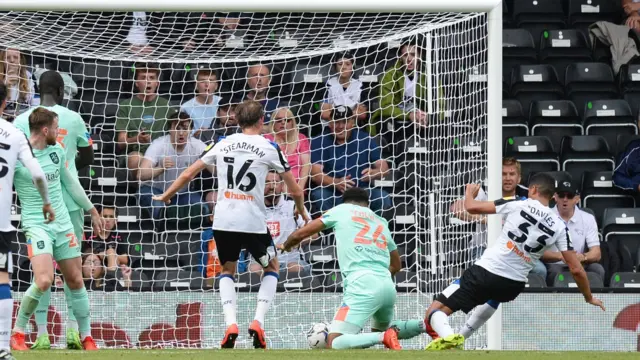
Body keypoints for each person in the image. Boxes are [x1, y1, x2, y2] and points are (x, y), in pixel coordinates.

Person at [151, 100, 308, 349]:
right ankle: (258, 321)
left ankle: (231, 324)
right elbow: (296, 189)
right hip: (253, 219)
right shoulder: (270, 147)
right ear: (261, 120)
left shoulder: (222, 143)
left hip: (223, 219)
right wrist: (300, 211)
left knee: (227, 270)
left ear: (236, 119)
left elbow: (187, 174)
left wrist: (167, 194)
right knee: (272, 268)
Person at [423, 174, 605, 351]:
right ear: (552, 197)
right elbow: (576, 269)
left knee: (434, 312)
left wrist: (469, 192)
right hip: (513, 285)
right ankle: (461, 336)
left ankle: (450, 339)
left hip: (487, 271)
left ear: (533, 189)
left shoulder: (518, 202)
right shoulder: (559, 227)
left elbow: (470, 207)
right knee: (493, 296)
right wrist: (588, 297)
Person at [281, 188, 426, 350]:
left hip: (361, 284)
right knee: (379, 335)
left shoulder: (341, 210)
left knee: (334, 342)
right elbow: (397, 265)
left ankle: (383, 336)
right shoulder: (379, 221)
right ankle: (426, 326)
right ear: (367, 204)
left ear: (344, 201)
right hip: (387, 285)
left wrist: (286, 246)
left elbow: (299, 234)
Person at [13, 70, 95, 350]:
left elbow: (66, 178)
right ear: (60, 92)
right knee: (46, 276)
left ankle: (46, 334)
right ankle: (70, 331)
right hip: (48, 213)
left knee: (70, 275)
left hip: (60, 208)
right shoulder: (73, 118)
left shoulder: (17, 122)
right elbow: (87, 156)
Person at [0, 84, 52, 360]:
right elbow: (39, 175)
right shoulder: (15, 134)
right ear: (5, 101)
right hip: (1, 220)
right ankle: (3, 347)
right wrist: (45, 202)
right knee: (1, 280)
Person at [449, 158, 546, 278]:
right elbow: (456, 209)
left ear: (519, 178)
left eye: (512, 174)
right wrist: (489, 220)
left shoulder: (528, 196)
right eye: (503, 174)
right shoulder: (484, 190)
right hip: (484, 248)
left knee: (540, 271)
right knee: (483, 270)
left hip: (516, 252)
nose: (508, 178)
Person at [310, 106, 391, 214]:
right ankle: (330, 231)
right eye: (336, 122)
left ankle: (376, 230)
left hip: (362, 192)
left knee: (382, 197)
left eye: (345, 122)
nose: (340, 126)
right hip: (333, 193)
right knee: (320, 195)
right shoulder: (319, 141)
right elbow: (316, 175)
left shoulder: (365, 139)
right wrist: (337, 183)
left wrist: (374, 173)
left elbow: (384, 168)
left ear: (352, 123)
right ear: (330, 123)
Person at [137, 112, 207, 219]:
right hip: (154, 190)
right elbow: (140, 174)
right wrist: (160, 168)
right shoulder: (159, 144)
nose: (181, 132)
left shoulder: (197, 145)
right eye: (177, 128)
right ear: (170, 130)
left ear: (190, 130)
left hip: (182, 193)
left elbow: (215, 168)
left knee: (202, 209)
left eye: (185, 128)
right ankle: (159, 235)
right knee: (159, 209)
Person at [116, 63, 176, 178]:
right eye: (143, 78)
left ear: (157, 83)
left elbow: (175, 134)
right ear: (137, 83)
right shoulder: (126, 105)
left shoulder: (166, 105)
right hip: (136, 152)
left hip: (160, 152)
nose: (148, 81)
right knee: (135, 158)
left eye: (152, 78)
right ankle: (141, 191)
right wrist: (137, 139)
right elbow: (121, 143)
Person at [249, 172, 315, 274]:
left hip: (290, 259)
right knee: (254, 269)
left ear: (282, 185)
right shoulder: (253, 208)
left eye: (275, 182)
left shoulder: (294, 205)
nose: (271, 186)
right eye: (267, 182)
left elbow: (314, 234)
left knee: (294, 268)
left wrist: (295, 242)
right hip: (262, 259)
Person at [542, 181, 605, 285]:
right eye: (561, 195)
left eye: (570, 196)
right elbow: (538, 252)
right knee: (554, 273)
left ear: (577, 199)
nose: (565, 199)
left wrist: (583, 257)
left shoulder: (588, 218)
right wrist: (560, 256)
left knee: (597, 270)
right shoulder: (544, 217)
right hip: (555, 264)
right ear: (555, 197)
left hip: (580, 263)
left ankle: (594, 299)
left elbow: (597, 253)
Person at [264, 107, 311, 192]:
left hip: (296, 187)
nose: (283, 123)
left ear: (292, 123)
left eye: (287, 120)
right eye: (279, 120)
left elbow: (305, 167)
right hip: (271, 189)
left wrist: (298, 190)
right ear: (273, 123)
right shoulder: (266, 140)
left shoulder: (301, 139)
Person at [321, 52, 367, 123]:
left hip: (353, 127)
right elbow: (324, 114)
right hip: (332, 127)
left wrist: (338, 114)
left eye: (348, 64)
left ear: (352, 67)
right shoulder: (328, 85)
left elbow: (362, 114)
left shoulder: (359, 86)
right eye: (340, 64)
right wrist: (351, 113)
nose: (344, 67)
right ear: (335, 67)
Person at [84, 203, 129, 271]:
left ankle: (110, 275)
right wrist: (99, 256)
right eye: (105, 216)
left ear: (116, 221)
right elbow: (84, 257)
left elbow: (125, 259)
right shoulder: (88, 235)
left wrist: (109, 255)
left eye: (111, 216)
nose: (108, 220)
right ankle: (110, 276)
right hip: (92, 268)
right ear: (97, 218)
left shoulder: (118, 236)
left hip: (112, 265)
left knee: (111, 252)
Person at [180, 68, 221, 138]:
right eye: (202, 81)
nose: (207, 84)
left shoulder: (224, 103)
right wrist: (194, 134)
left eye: (210, 81)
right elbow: (181, 132)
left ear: (216, 86)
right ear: (196, 85)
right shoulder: (186, 107)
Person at [0, 48, 36, 121]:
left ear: (20, 60)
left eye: (15, 57)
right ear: (2, 61)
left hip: (24, 122)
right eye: (8, 57)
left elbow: (36, 106)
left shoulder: (29, 77)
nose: (12, 60)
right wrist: (3, 86)